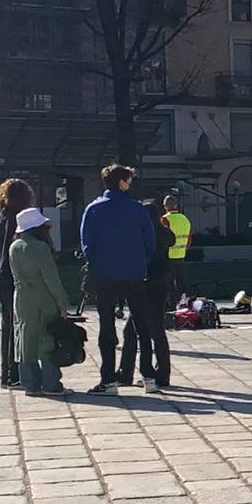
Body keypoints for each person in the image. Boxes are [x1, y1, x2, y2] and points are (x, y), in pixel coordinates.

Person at [81, 164, 155, 394]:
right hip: (134, 272)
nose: (131, 183)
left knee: (106, 325)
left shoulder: (93, 209)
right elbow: (149, 242)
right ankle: (149, 377)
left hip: (105, 273)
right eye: (129, 179)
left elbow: (87, 244)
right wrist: (141, 262)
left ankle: (108, 379)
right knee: (142, 325)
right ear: (122, 182)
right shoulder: (137, 209)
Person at [8, 208, 74, 397]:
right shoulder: (39, 247)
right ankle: (51, 383)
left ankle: (30, 384)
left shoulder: (15, 246)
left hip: (21, 297)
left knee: (25, 339)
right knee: (47, 338)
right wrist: (62, 302)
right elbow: (51, 278)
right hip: (42, 296)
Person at [118, 201, 173, 392]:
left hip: (143, 283)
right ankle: (163, 373)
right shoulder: (164, 232)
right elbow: (172, 240)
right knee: (157, 330)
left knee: (132, 331)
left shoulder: (141, 234)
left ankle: (126, 373)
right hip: (161, 283)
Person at [0, 178, 35, 389]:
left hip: (2, 276)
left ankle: (6, 373)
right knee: (16, 327)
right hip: (15, 277)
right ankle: (13, 373)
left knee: (8, 326)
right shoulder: (17, 220)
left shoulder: (0, 217)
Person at [160, 194, 191, 309]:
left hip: (168, 256)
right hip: (181, 255)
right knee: (182, 282)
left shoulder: (165, 219)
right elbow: (189, 238)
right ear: (176, 205)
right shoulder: (185, 219)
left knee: (169, 284)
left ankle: (172, 307)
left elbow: (162, 238)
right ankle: (187, 304)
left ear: (165, 206)